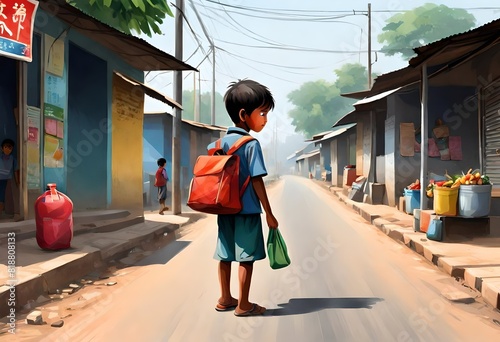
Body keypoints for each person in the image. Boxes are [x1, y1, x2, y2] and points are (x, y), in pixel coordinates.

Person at [208, 79, 279, 317]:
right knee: (245, 258)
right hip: (247, 210)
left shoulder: (216, 144)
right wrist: (269, 213)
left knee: (225, 254)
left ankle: (225, 298)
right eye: (262, 113)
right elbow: (257, 180)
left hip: (224, 209)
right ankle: (244, 304)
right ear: (243, 114)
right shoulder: (250, 145)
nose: (265, 119)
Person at [0, 138, 19, 218]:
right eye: (6, 147)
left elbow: (15, 171)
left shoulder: (13, 160)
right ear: (2, 148)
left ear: (12, 149)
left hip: (8, 181)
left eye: (10, 148)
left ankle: (2, 212)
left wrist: (18, 182)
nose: (7, 149)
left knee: (4, 197)